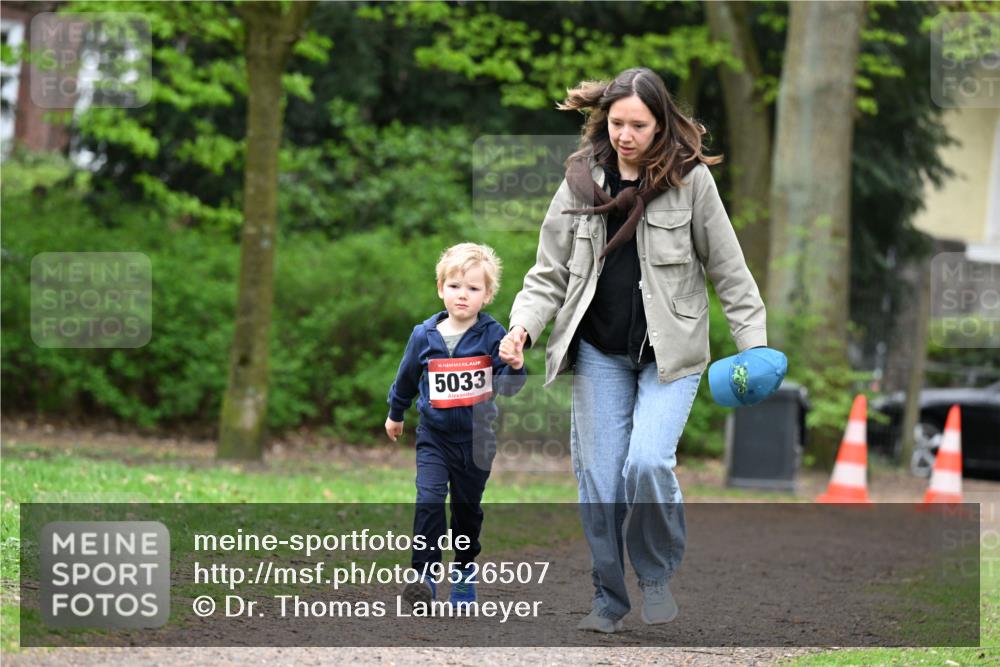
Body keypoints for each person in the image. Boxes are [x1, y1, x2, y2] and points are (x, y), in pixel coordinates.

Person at [500, 67, 767, 633]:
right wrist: (522, 327)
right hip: (598, 351)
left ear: (660, 123)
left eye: (638, 125)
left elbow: (730, 272)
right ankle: (608, 599)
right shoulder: (579, 179)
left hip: (671, 356)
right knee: (599, 481)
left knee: (647, 462)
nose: (625, 135)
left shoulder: (691, 182)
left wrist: (754, 350)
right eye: (617, 123)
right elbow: (547, 273)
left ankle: (654, 576)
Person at [386, 242, 527, 610]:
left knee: (466, 510)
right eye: (454, 286)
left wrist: (514, 365)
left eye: (473, 288)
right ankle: (423, 576)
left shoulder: (494, 336)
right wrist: (396, 413)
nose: (462, 295)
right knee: (429, 500)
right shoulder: (424, 335)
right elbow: (405, 378)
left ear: (487, 295)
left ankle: (464, 571)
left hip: (476, 439)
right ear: (440, 288)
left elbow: (510, 389)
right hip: (433, 436)